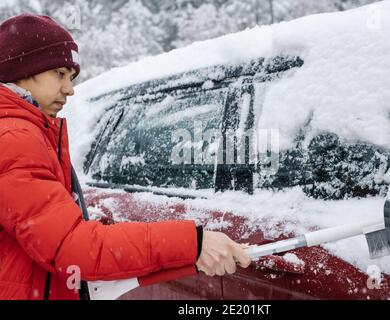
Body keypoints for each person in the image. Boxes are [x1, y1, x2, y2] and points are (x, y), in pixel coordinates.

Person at [0, 13, 251, 300]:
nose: (70, 89)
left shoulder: (26, 131)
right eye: (60, 74)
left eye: (71, 77)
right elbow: (73, 249)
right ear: (23, 69)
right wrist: (192, 243)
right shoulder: (14, 139)